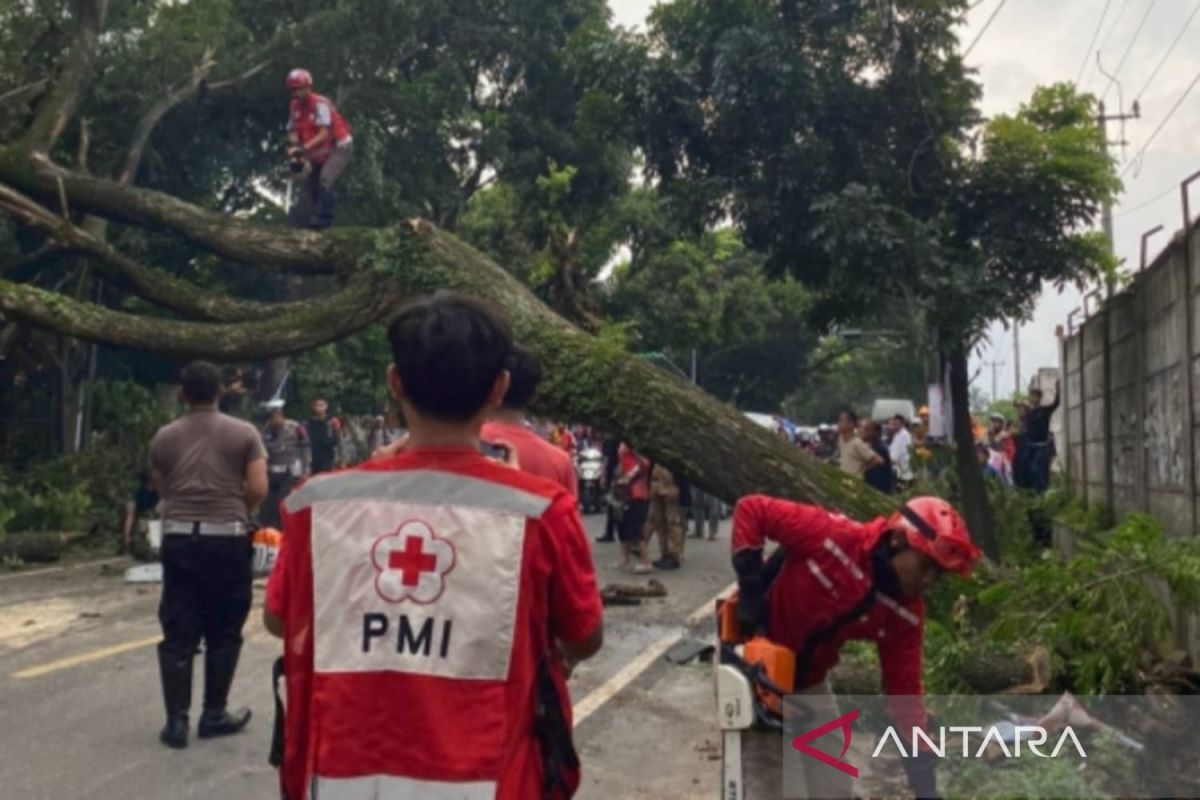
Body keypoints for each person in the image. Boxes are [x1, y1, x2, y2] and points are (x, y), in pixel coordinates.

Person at [263, 294, 603, 799]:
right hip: (490, 783)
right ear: (499, 388)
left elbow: (278, 621)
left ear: (395, 382)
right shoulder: (540, 513)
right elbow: (583, 638)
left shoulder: (316, 504)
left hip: (339, 779)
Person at [731, 495, 981, 799]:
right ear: (898, 540)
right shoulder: (833, 537)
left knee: (835, 789)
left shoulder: (905, 613)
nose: (927, 580)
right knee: (778, 786)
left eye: (937, 575)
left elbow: (905, 692)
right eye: (924, 566)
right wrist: (750, 590)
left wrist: (923, 780)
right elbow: (752, 509)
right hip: (754, 667)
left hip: (808, 682)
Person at [148, 361, 268, 749]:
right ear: (221, 392)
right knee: (224, 628)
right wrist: (238, 510)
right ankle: (213, 713)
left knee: (178, 629)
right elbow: (258, 488)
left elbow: (162, 489)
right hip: (226, 539)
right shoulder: (245, 433)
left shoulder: (164, 437)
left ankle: (176, 722)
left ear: (182, 394)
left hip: (179, 538)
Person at [481, 344, 577, 494]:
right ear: (533, 397)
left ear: (496, 385)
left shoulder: (465, 443)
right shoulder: (559, 461)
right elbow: (569, 515)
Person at [285, 68, 353, 229]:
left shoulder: (319, 104)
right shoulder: (294, 105)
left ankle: (324, 220)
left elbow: (324, 134)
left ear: (309, 87)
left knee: (325, 178)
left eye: (300, 89)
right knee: (309, 187)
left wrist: (303, 149)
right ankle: (303, 223)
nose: (297, 93)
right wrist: (295, 150)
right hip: (318, 152)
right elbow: (293, 131)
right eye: (294, 90)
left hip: (339, 147)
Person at [259, 402, 308, 529]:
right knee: (268, 504)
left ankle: (284, 528)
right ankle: (268, 529)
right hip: (271, 471)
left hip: (290, 471)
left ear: (281, 415)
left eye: (277, 416)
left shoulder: (295, 427)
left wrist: (305, 469)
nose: (275, 420)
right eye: (271, 417)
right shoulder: (264, 430)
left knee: (284, 501)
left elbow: (305, 446)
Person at [616, 442, 651, 573]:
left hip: (636, 491)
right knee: (622, 526)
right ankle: (625, 560)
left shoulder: (637, 442)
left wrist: (629, 475)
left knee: (635, 528)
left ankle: (646, 562)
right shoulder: (622, 443)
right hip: (623, 490)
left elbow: (645, 463)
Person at [644, 462, 685, 571]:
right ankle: (665, 553)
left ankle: (674, 555)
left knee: (672, 522)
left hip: (669, 482)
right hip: (656, 481)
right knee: (659, 522)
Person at [1021, 384, 1061, 493]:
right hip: (1030, 446)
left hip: (1041, 446)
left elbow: (1056, 403)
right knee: (1030, 470)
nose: (1032, 398)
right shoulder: (1028, 413)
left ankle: (1043, 491)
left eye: (1035, 396)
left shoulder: (1045, 410)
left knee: (1038, 469)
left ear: (1039, 398)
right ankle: (1035, 493)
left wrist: (1058, 390)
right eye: (1031, 396)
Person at [120, 470, 159, 555]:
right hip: (142, 522)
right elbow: (130, 516)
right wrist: (127, 537)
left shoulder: (159, 493)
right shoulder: (135, 494)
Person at [837, 409, 883, 477]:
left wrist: (862, 470)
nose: (838, 424)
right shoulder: (841, 438)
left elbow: (878, 460)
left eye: (841, 421)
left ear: (851, 424)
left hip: (854, 482)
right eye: (839, 421)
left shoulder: (857, 443)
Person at [303, 397, 343, 475]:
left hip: (328, 456)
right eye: (317, 405)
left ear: (326, 406)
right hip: (313, 456)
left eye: (321, 405)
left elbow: (339, 440)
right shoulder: (308, 423)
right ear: (313, 407)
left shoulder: (332, 421)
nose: (319, 408)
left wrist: (342, 458)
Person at [596, 434, 622, 543]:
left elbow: (606, 460)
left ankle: (610, 532)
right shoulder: (621, 439)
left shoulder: (608, 440)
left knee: (612, 504)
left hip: (612, 475)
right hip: (621, 474)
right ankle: (613, 531)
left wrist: (603, 476)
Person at [861, 419, 896, 494]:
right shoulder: (873, 445)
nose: (864, 433)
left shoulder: (879, 447)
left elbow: (874, 464)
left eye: (867, 430)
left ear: (876, 433)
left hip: (880, 489)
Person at [887, 414, 913, 485]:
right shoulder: (897, 435)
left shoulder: (903, 436)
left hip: (903, 473)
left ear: (902, 424)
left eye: (897, 424)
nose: (894, 426)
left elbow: (894, 458)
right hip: (901, 471)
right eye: (893, 424)